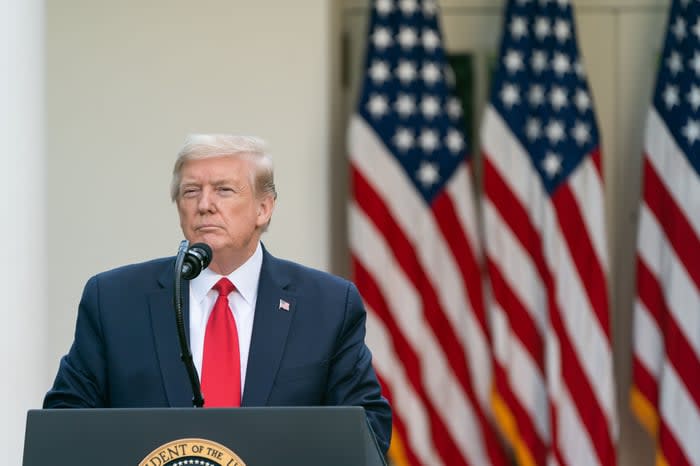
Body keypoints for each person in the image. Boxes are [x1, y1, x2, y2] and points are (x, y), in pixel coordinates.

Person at [44, 134, 392, 454]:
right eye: (191, 191)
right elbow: (65, 423)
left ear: (264, 208)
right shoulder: (114, 300)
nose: (205, 204)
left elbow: (367, 429)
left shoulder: (328, 305)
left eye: (224, 190)